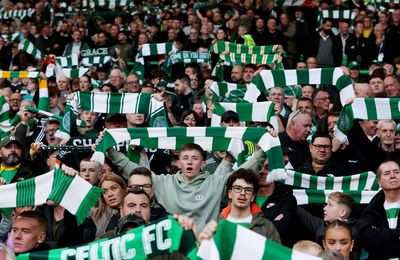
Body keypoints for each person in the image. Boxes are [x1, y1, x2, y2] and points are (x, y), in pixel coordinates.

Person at [106, 142, 266, 230]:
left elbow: (242, 174)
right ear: (178, 162)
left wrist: (263, 151)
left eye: (195, 158)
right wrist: (110, 151)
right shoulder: (163, 182)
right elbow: (132, 170)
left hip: (204, 248)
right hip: (172, 251)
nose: (190, 162)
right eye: (186, 158)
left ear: (203, 163)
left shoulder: (215, 183)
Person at [200, 168, 281, 243]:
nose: (243, 193)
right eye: (238, 188)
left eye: (248, 190)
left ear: (253, 197)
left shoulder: (267, 227)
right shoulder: (214, 226)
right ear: (230, 193)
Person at [357, 160, 400, 259]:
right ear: (379, 181)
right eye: (387, 173)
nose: (393, 176)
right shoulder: (372, 209)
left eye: (396, 172)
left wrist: (381, 236)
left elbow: (374, 239)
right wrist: (397, 234)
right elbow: (365, 238)